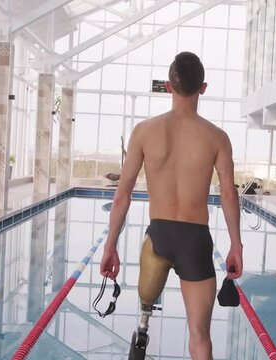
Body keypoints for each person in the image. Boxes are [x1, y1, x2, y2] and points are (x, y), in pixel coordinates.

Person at [100, 51, 243, 360]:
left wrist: (110, 245)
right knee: (200, 337)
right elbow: (230, 194)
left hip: (158, 238)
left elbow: (122, 194)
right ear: (202, 88)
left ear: (168, 86)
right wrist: (236, 245)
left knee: (144, 308)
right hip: (196, 241)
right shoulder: (217, 138)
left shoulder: (144, 132)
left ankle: (143, 325)